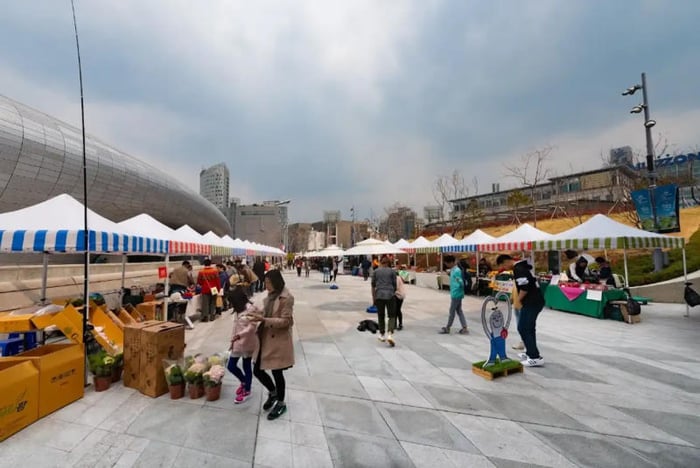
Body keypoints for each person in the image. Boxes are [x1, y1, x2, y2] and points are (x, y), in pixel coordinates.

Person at [249, 269, 295, 421]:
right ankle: (273, 392)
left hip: (277, 340)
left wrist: (264, 320)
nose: (266, 285)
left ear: (276, 282)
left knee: (277, 372)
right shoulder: (269, 296)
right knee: (257, 369)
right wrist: (258, 316)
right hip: (264, 336)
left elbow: (286, 321)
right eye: (266, 282)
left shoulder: (287, 298)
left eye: (269, 282)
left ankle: (281, 403)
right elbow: (268, 314)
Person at [227, 285, 259, 404]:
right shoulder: (238, 309)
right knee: (231, 365)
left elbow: (252, 326)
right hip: (237, 341)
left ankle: (247, 390)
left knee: (246, 366)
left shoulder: (251, 308)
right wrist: (234, 337)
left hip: (247, 341)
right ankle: (244, 381)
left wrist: (241, 334)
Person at [512, 258, 545, 367]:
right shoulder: (524, 268)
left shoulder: (519, 269)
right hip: (535, 302)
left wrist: (517, 300)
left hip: (532, 302)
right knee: (529, 328)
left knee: (523, 328)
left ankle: (535, 357)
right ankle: (530, 352)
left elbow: (524, 288)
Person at [438, 255, 468, 334]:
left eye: (447, 263)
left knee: (452, 311)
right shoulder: (453, 270)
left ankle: (448, 327)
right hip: (456, 293)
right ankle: (464, 327)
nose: (446, 265)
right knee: (459, 311)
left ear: (451, 262)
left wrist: (458, 288)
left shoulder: (457, 270)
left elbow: (460, 282)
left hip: (456, 294)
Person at [372, 256, 398, 346]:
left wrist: (374, 299)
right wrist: (392, 291)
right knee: (391, 315)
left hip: (379, 295)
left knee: (381, 315)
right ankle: (390, 334)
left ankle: (382, 334)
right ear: (389, 263)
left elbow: (373, 285)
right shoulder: (392, 271)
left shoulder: (376, 271)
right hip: (390, 295)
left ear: (381, 262)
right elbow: (395, 285)